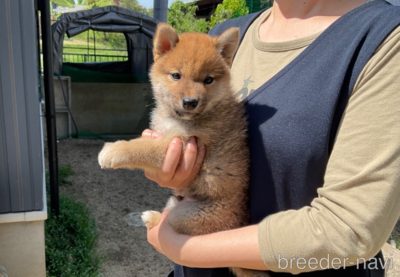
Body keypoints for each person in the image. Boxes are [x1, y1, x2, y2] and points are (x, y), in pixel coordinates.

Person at [142, 0, 400, 276]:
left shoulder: (382, 39)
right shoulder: (227, 35)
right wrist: (178, 173)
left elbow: (348, 231)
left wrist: (182, 247)